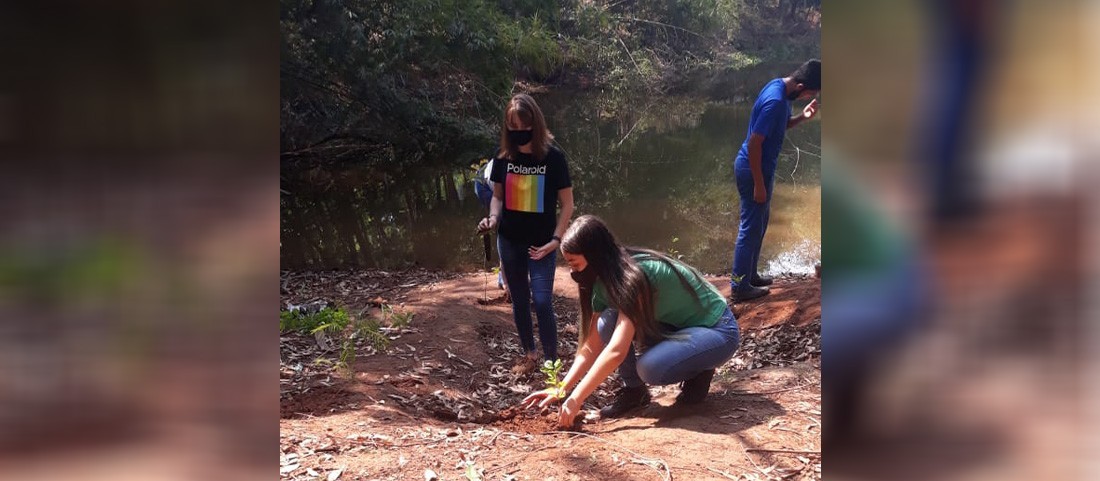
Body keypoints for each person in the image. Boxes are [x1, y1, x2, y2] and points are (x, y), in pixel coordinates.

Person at [522, 215, 741, 428]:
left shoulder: (633, 277)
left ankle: (700, 369)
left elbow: (616, 350)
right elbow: (592, 345)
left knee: (650, 368)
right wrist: (561, 389)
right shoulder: (604, 284)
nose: (573, 272)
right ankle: (634, 392)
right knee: (606, 321)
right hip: (680, 328)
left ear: (595, 255)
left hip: (718, 331)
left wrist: (576, 398)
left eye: (575, 265)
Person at [477, 93, 574, 374]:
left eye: (524, 127)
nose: (519, 133)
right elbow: (497, 197)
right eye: (513, 128)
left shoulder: (553, 158)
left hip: (542, 244)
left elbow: (567, 204)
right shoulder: (503, 157)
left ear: (536, 124)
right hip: (509, 240)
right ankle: (530, 355)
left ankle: (551, 363)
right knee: (519, 300)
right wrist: (493, 218)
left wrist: (556, 240)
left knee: (542, 301)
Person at [730, 59, 821, 302]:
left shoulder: (779, 87)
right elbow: (755, 143)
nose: (808, 97)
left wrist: (802, 117)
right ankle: (739, 287)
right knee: (750, 227)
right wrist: (759, 184)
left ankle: (750, 275)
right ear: (801, 86)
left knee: (760, 224)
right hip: (752, 170)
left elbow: (777, 128)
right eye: (810, 93)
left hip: (760, 169)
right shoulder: (776, 102)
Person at [473, 156, 508, 300]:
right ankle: (504, 279)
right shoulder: (502, 172)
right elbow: (499, 199)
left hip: (494, 181)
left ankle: (508, 275)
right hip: (483, 185)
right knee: (505, 225)